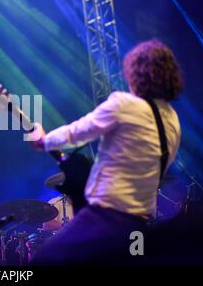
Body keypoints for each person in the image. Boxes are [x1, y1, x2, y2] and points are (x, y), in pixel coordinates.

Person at [28, 39, 183, 265]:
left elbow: (78, 131)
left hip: (108, 217)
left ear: (136, 74)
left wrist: (45, 140)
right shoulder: (173, 121)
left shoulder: (125, 104)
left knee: (43, 261)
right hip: (138, 226)